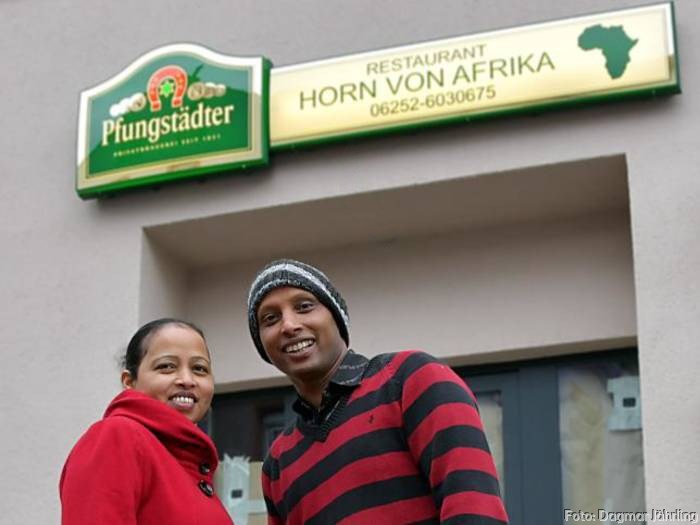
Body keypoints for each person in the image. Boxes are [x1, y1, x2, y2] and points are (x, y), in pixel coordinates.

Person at [247, 259, 509, 524]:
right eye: (270, 319)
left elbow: (475, 509)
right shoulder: (278, 463)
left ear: (337, 318)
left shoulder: (410, 380)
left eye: (304, 306)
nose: (288, 325)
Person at [60, 318, 233, 525]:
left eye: (199, 369)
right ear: (129, 382)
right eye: (167, 366)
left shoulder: (188, 462)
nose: (187, 380)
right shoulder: (117, 436)